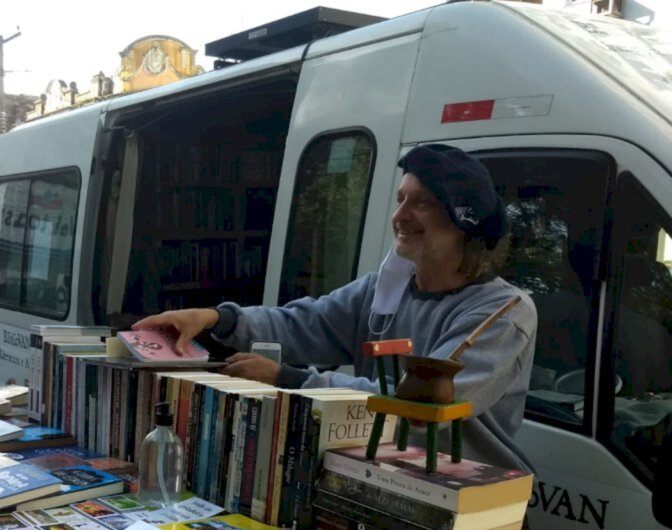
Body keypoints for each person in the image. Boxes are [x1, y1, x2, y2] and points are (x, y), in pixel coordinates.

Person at [134, 143, 537, 472]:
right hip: (376, 476)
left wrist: (289, 378)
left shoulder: (504, 312)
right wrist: (215, 318)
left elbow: (422, 401)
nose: (399, 215)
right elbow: (304, 325)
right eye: (400, 199)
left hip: (464, 503)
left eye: (423, 203)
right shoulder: (384, 290)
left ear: (463, 223)